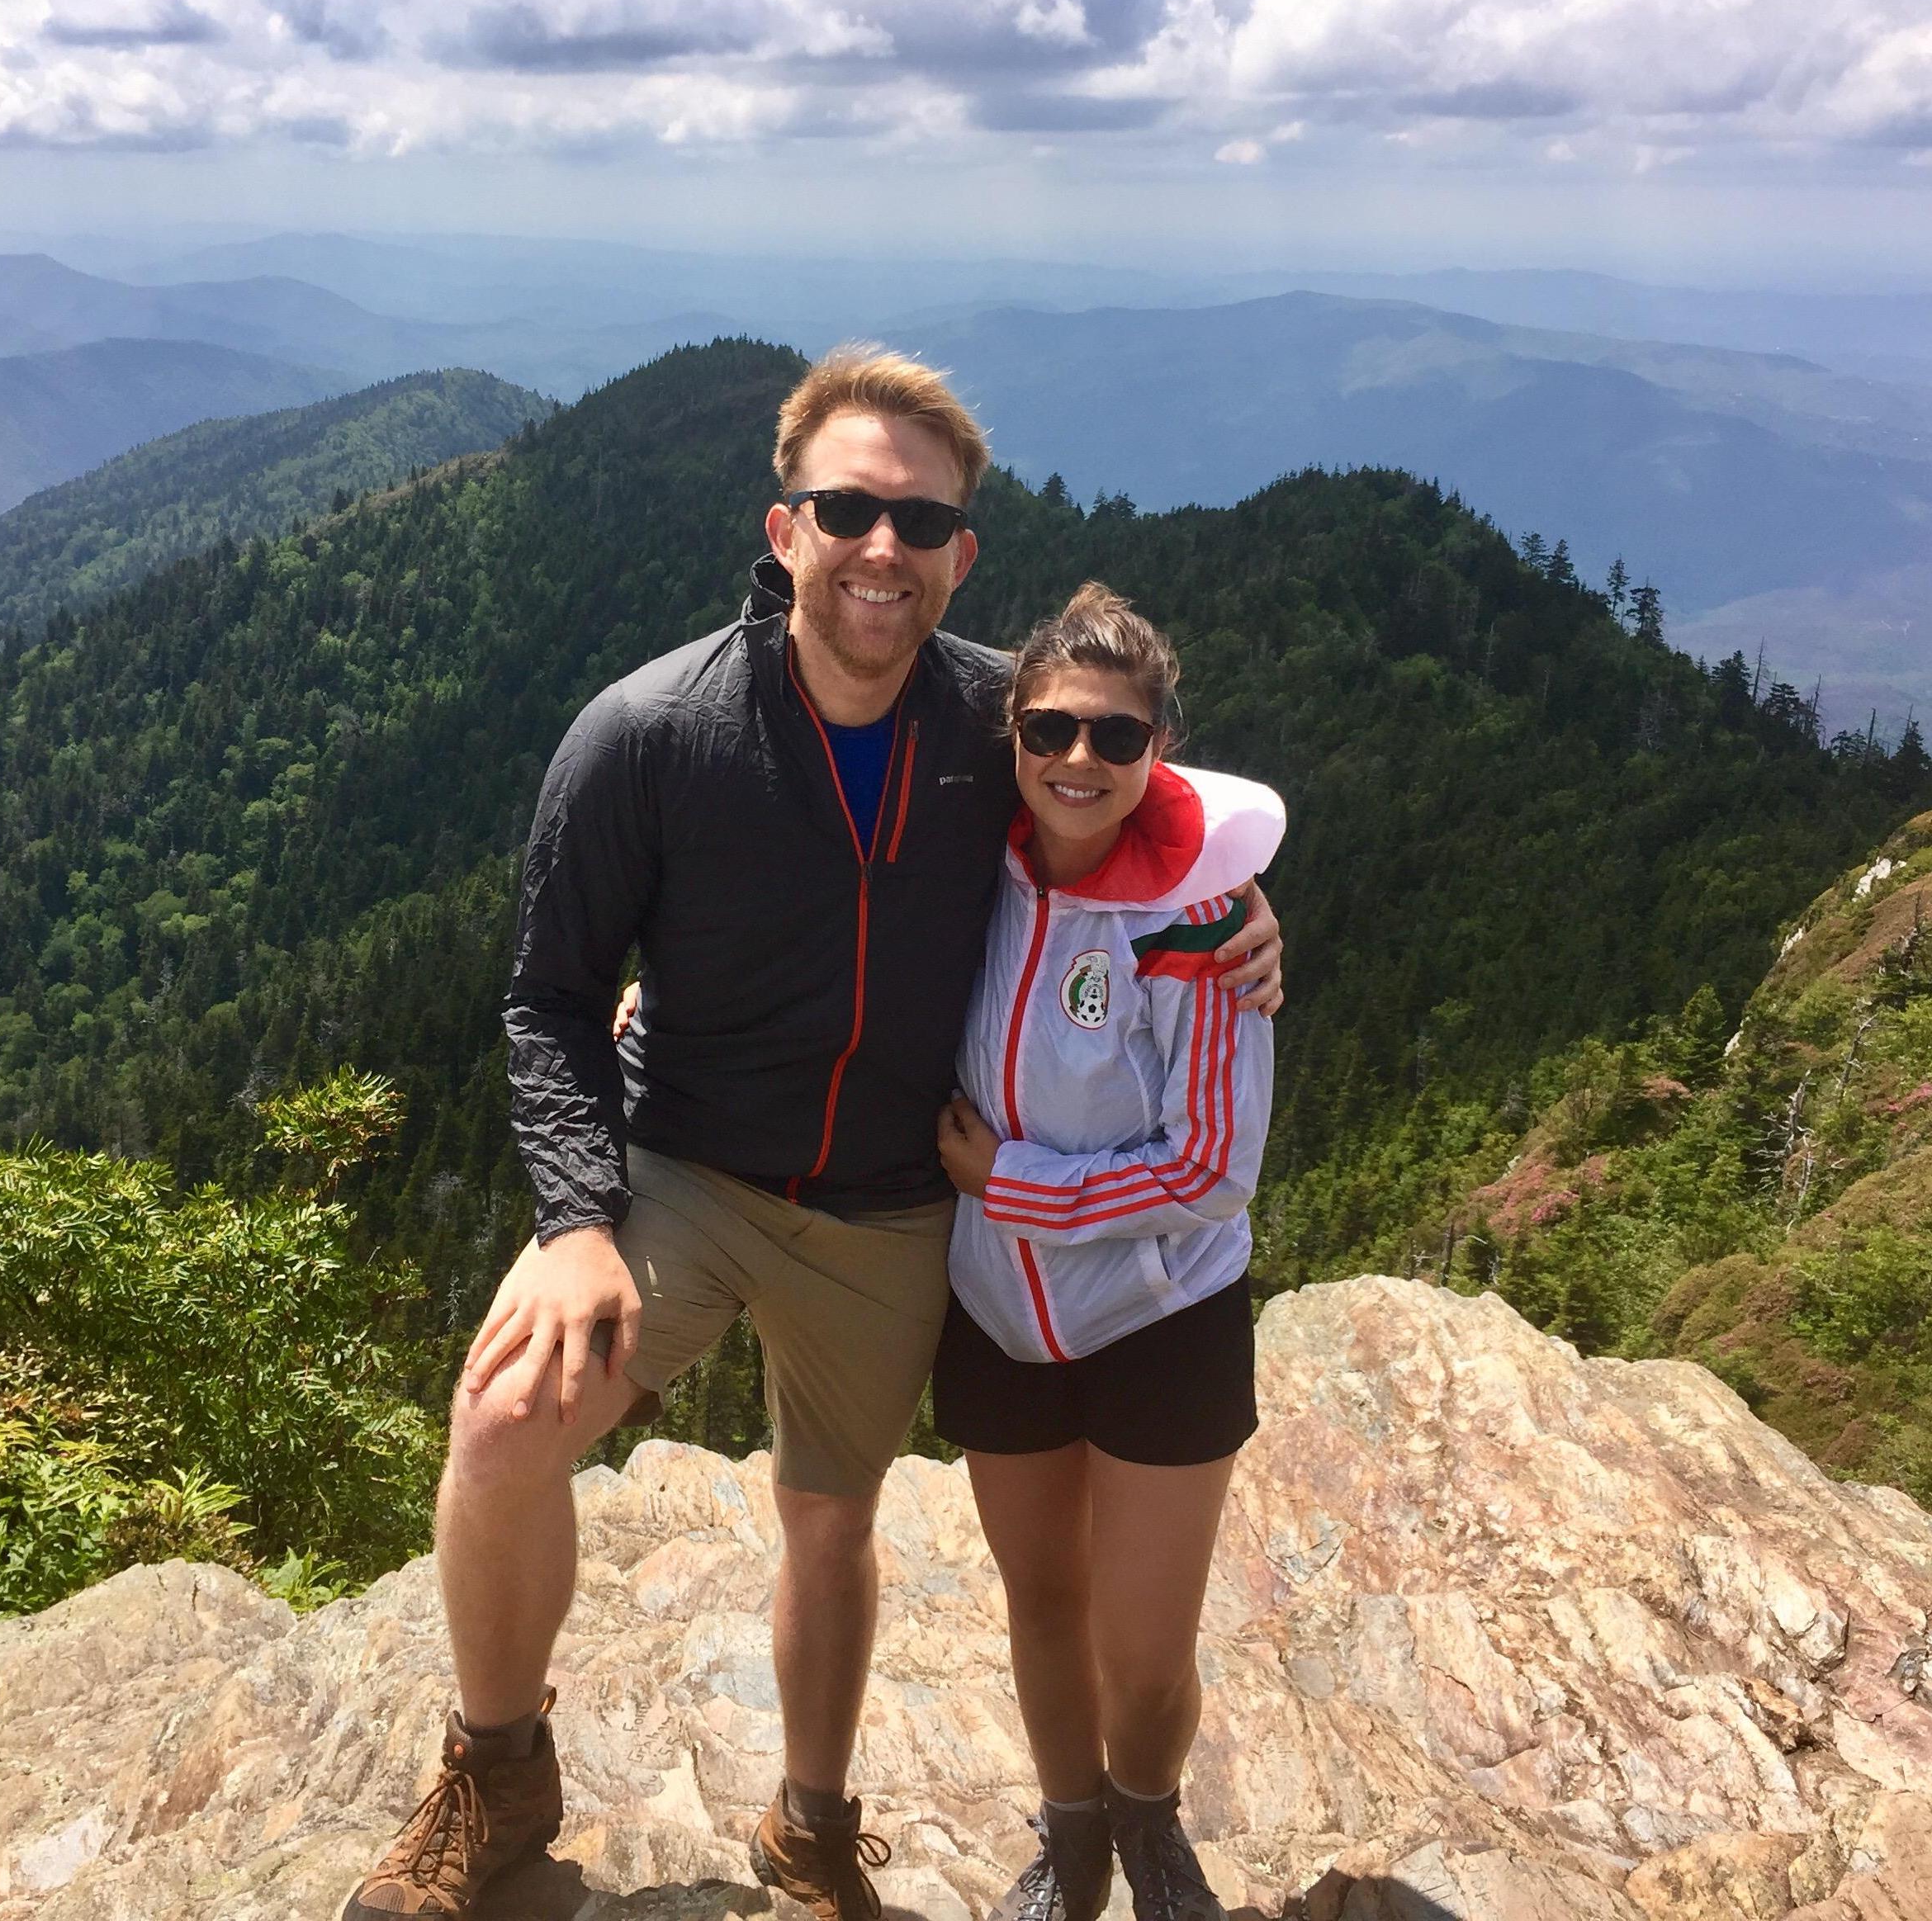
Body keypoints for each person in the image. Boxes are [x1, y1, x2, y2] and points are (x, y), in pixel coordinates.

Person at [343, 349, 1284, 1921]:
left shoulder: (1005, 721)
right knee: (506, 1422)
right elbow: (552, 997)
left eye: (920, 522)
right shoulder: (647, 734)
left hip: (891, 1201)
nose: (882, 546)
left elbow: (1146, 814)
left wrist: (1247, 916)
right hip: (688, 1170)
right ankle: (497, 1775)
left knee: (830, 1525)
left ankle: (813, 1826)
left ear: (962, 555)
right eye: (846, 507)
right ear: (784, 529)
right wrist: (577, 1222)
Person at [933, 584, 1285, 1921]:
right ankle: (1073, 1832)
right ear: (1016, 735)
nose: (1079, 760)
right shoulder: (970, 860)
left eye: (1117, 739)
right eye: (1052, 729)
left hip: (1161, 1316)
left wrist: (1010, 1182)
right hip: (998, 1311)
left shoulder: (1200, 917)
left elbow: (1212, 1172)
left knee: (1143, 1655)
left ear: (1160, 750)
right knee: (1041, 1600)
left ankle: (1148, 1813)